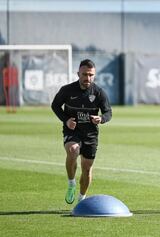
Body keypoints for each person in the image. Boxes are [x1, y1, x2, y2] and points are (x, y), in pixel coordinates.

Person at [51, 59, 112, 204]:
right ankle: (71, 183)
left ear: (94, 75)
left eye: (91, 75)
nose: (87, 78)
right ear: (78, 74)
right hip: (73, 130)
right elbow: (55, 105)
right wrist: (66, 120)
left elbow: (108, 112)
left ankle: (81, 200)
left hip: (90, 134)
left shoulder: (99, 93)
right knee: (73, 150)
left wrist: (101, 118)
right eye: (84, 74)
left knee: (87, 169)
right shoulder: (67, 90)